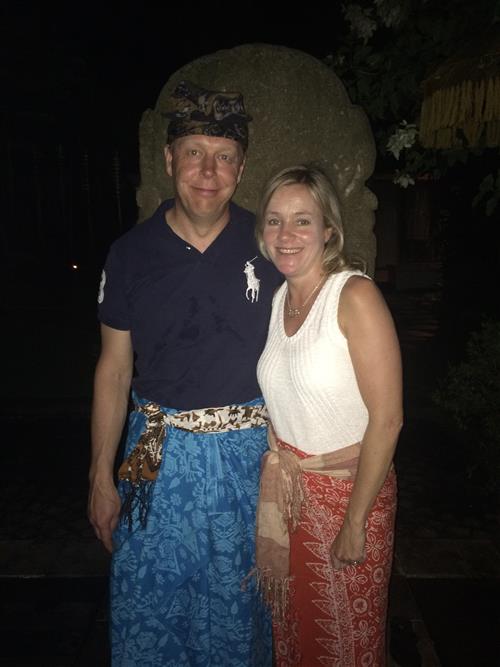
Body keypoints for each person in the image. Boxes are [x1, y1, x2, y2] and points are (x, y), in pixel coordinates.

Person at [88, 80, 281, 666]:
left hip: (249, 465)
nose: (208, 171)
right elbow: (114, 370)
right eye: (194, 152)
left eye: (224, 156)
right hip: (155, 459)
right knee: (150, 605)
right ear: (169, 159)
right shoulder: (130, 254)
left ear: (241, 169)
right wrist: (99, 477)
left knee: (241, 608)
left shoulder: (271, 247)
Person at [254, 165, 403, 666]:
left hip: (350, 496)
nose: (286, 234)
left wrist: (355, 521)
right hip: (292, 496)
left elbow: (388, 419)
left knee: (347, 643)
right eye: (274, 220)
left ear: (329, 230)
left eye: (302, 220)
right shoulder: (279, 299)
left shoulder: (354, 296)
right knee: (297, 633)